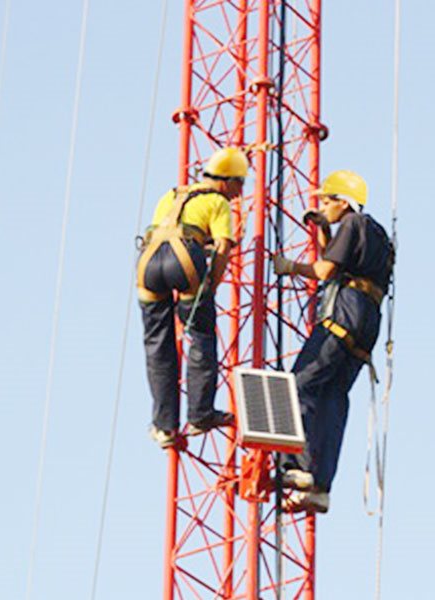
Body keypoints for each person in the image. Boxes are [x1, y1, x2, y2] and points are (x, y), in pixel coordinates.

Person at [273, 170, 394, 513]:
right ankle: (321, 484)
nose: (323, 206)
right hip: (365, 324)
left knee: (299, 384)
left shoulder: (353, 224)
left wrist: (289, 267)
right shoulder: (377, 234)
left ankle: (296, 469)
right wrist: (324, 232)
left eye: (326, 201)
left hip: (343, 317)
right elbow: (345, 265)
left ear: (343, 201)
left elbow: (327, 271)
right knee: (331, 397)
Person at [138, 147, 249, 448]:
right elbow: (224, 248)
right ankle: (200, 414)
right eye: (239, 184)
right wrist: (210, 286)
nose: (240, 193)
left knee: (156, 345)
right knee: (200, 334)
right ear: (226, 180)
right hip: (184, 259)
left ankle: (164, 427)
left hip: (148, 263)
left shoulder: (172, 195)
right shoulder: (218, 201)